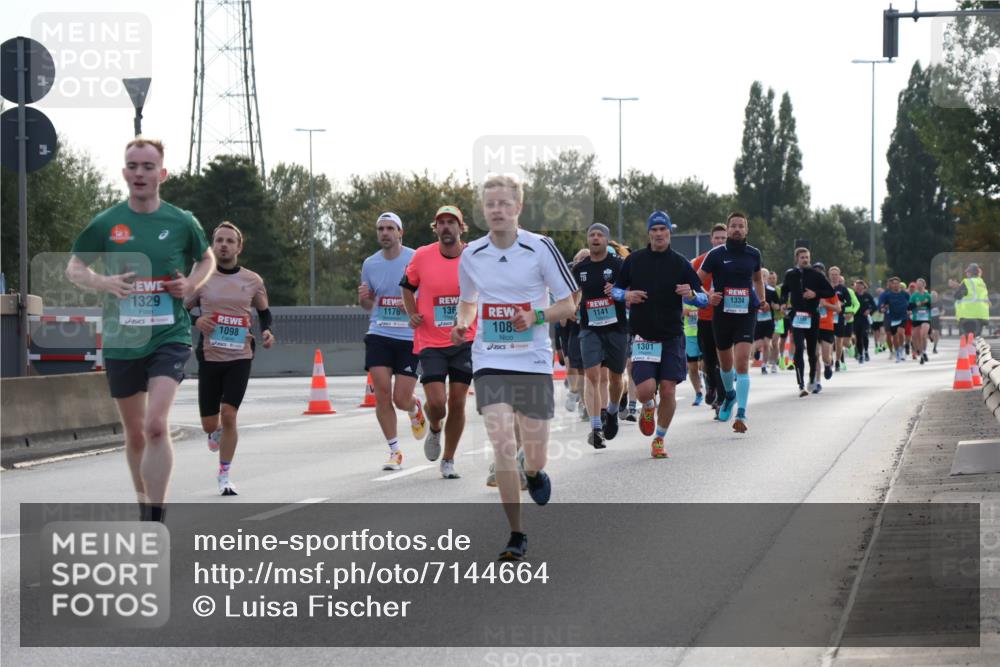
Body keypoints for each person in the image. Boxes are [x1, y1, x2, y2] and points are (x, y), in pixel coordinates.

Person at [66, 137, 214, 521]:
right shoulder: (107, 222)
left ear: (162, 174)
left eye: (148, 167)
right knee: (134, 434)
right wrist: (105, 282)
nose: (139, 173)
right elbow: (75, 269)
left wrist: (190, 285)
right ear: (124, 172)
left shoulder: (181, 221)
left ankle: (155, 518)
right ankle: (143, 504)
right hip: (123, 339)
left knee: (155, 426)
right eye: (133, 166)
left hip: (169, 335)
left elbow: (206, 259)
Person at [452, 174, 578, 562]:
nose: (497, 210)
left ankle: (535, 472)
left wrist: (536, 315)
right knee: (503, 444)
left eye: (505, 203)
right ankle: (516, 533)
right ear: (483, 210)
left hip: (533, 360)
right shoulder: (472, 254)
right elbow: (468, 300)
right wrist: (462, 321)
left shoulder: (540, 248)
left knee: (534, 455)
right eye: (491, 204)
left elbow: (569, 303)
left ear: (518, 207)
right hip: (490, 358)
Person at [608, 211, 707, 457]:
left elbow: (704, 298)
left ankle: (659, 439)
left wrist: (691, 295)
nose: (659, 234)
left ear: (669, 233)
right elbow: (615, 292)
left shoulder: (681, 263)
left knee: (669, 389)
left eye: (663, 229)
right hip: (644, 336)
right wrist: (627, 295)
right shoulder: (634, 260)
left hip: (672, 336)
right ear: (649, 233)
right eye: (654, 230)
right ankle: (649, 406)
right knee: (645, 390)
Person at [186, 221, 272, 495]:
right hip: (210, 356)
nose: (223, 245)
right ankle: (214, 432)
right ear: (213, 245)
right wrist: (197, 320)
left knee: (230, 414)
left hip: (240, 355)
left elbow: (264, 312)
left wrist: (267, 330)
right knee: (210, 424)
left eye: (229, 241)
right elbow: (181, 309)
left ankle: (224, 475)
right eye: (219, 240)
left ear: (239, 247)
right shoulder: (201, 277)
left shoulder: (252, 280)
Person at [400, 205, 475, 479]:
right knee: (437, 403)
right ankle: (434, 427)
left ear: (461, 228)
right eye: (441, 222)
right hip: (430, 340)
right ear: (436, 229)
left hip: (465, 339)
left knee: (457, 402)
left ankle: (449, 459)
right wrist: (412, 313)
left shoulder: (473, 256)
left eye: (451, 222)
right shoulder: (422, 255)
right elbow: (407, 287)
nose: (446, 227)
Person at [359, 212, 427, 471]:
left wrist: (410, 303)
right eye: (381, 229)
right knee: (382, 393)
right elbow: (368, 305)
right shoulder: (370, 264)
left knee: (400, 398)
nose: (385, 233)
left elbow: (429, 295)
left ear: (400, 232)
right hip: (379, 333)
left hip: (409, 336)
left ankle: (414, 407)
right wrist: (364, 298)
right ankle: (394, 451)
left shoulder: (415, 258)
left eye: (390, 228)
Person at [697, 212, 764, 433]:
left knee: (742, 363)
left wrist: (761, 299)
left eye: (741, 226)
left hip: (746, 313)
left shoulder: (754, 254)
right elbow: (696, 280)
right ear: (727, 229)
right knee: (725, 365)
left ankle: (741, 414)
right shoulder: (716, 254)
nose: (737, 229)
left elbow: (757, 279)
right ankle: (729, 395)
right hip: (722, 315)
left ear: (746, 230)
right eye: (733, 226)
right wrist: (708, 295)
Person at [572, 224, 628, 449]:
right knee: (592, 376)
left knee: (616, 377)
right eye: (591, 235)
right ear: (588, 240)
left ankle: (612, 411)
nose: (595, 238)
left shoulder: (618, 265)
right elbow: (573, 293)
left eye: (599, 235)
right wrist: (571, 307)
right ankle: (595, 428)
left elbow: (631, 292)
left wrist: (617, 291)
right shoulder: (580, 268)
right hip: (590, 328)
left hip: (616, 328)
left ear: (606, 239)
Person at [780, 248, 835, 397]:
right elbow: (784, 290)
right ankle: (801, 385)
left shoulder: (816, 275)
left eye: (807, 257)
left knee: (812, 352)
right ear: (796, 259)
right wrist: (783, 302)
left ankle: (812, 377)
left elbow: (830, 292)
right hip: (797, 315)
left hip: (812, 316)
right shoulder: (790, 274)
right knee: (799, 348)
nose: (805, 260)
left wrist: (815, 294)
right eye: (802, 257)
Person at [691, 223, 727, 416]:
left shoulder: (733, 259)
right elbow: (693, 284)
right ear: (711, 239)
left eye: (724, 238)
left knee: (723, 360)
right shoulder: (700, 261)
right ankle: (711, 385)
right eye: (717, 238)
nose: (720, 241)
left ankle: (721, 398)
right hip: (705, 317)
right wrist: (707, 295)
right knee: (709, 359)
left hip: (727, 317)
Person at [813, 264, 841, 391]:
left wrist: (825, 305)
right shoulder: (808, 291)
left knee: (825, 357)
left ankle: (828, 364)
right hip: (813, 326)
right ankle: (817, 382)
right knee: (815, 355)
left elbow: (838, 309)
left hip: (827, 326)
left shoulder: (829, 291)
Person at [950, 263, 991, 339]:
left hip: (968, 316)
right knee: (976, 339)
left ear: (970, 273)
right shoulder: (982, 283)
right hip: (981, 316)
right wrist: (959, 286)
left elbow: (957, 296)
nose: (966, 274)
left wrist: (955, 287)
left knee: (966, 339)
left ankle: (968, 347)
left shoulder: (967, 282)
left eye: (967, 272)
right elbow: (971, 293)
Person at [753, 268, 780, 375]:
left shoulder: (771, 291)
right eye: (761, 275)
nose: (762, 278)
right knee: (758, 344)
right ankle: (756, 350)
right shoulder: (753, 290)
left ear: (767, 278)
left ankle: (764, 365)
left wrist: (774, 306)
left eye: (764, 276)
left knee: (766, 343)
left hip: (769, 321)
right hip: (757, 322)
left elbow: (777, 305)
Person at [877, 276, 911, 363]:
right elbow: (881, 305)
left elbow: (911, 303)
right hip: (893, 318)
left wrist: (910, 310)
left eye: (897, 283)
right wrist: (882, 309)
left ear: (899, 284)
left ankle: (901, 350)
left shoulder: (904, 294)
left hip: (903, 316)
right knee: (895, 336)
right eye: (893, 284)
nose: (895, 285)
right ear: (891, 285)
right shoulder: (887, 295)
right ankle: (897, 352)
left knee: (901, 332)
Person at [908, 278, 932, 364]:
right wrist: (916, 304)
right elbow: (909, 307)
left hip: (926, 318)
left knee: (923, 335)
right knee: (915, 336)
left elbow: (932, 306)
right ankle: (920, 351)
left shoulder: (928, 295)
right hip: (916, 318)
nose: (918, 286)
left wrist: (927, 303)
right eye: (917, 284)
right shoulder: (914, 296)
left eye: (920, 284)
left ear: (924, 285)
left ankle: (924, 352)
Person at [853, 279, 876, 363]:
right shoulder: (853, 295)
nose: (858, 287)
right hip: (855, 318)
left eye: (860, 286)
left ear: (863, 287)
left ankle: (866, 351)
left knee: (864, 335)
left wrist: (869, 310)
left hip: (865, 319)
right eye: (857, 286)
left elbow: (874, 306)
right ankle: (860, 354)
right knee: (858, 337)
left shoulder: (867, 296)